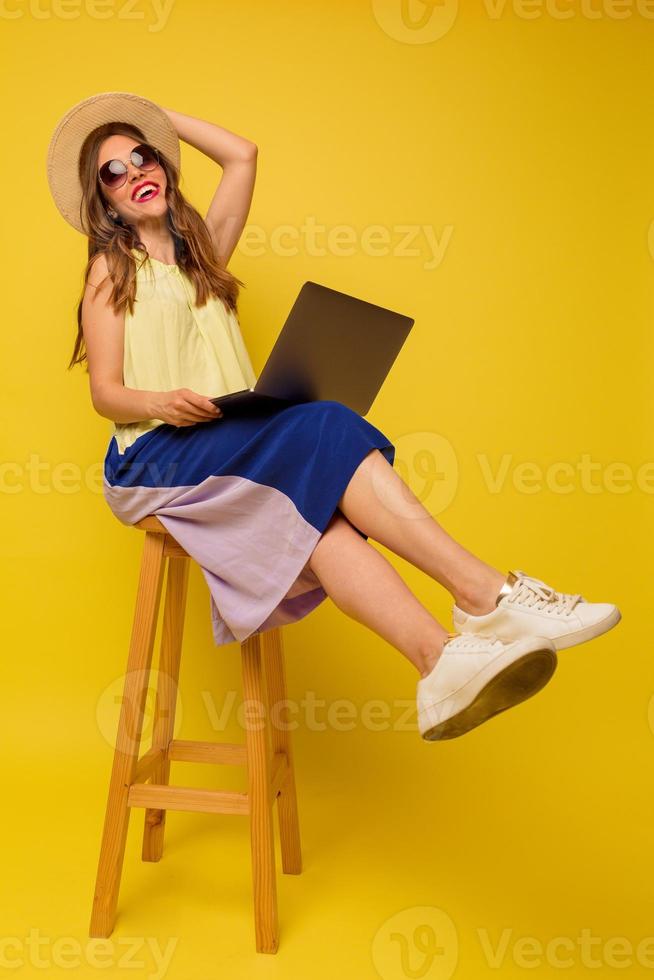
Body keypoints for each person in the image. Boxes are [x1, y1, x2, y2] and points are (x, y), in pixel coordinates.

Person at [46, 91, 621, 742]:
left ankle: (440, 663)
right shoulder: (109, 271)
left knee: (324, 525)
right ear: (106, 203)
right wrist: (160, 403)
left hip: (230, 444)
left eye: (142, 158)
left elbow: (242, 155)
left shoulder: (204, 254)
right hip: (153, 459)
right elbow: (104, 392)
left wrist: (149, 116)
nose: (134, 174)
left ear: (164, 168)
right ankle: (488, 596)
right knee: (326, 422)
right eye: (113, 172)